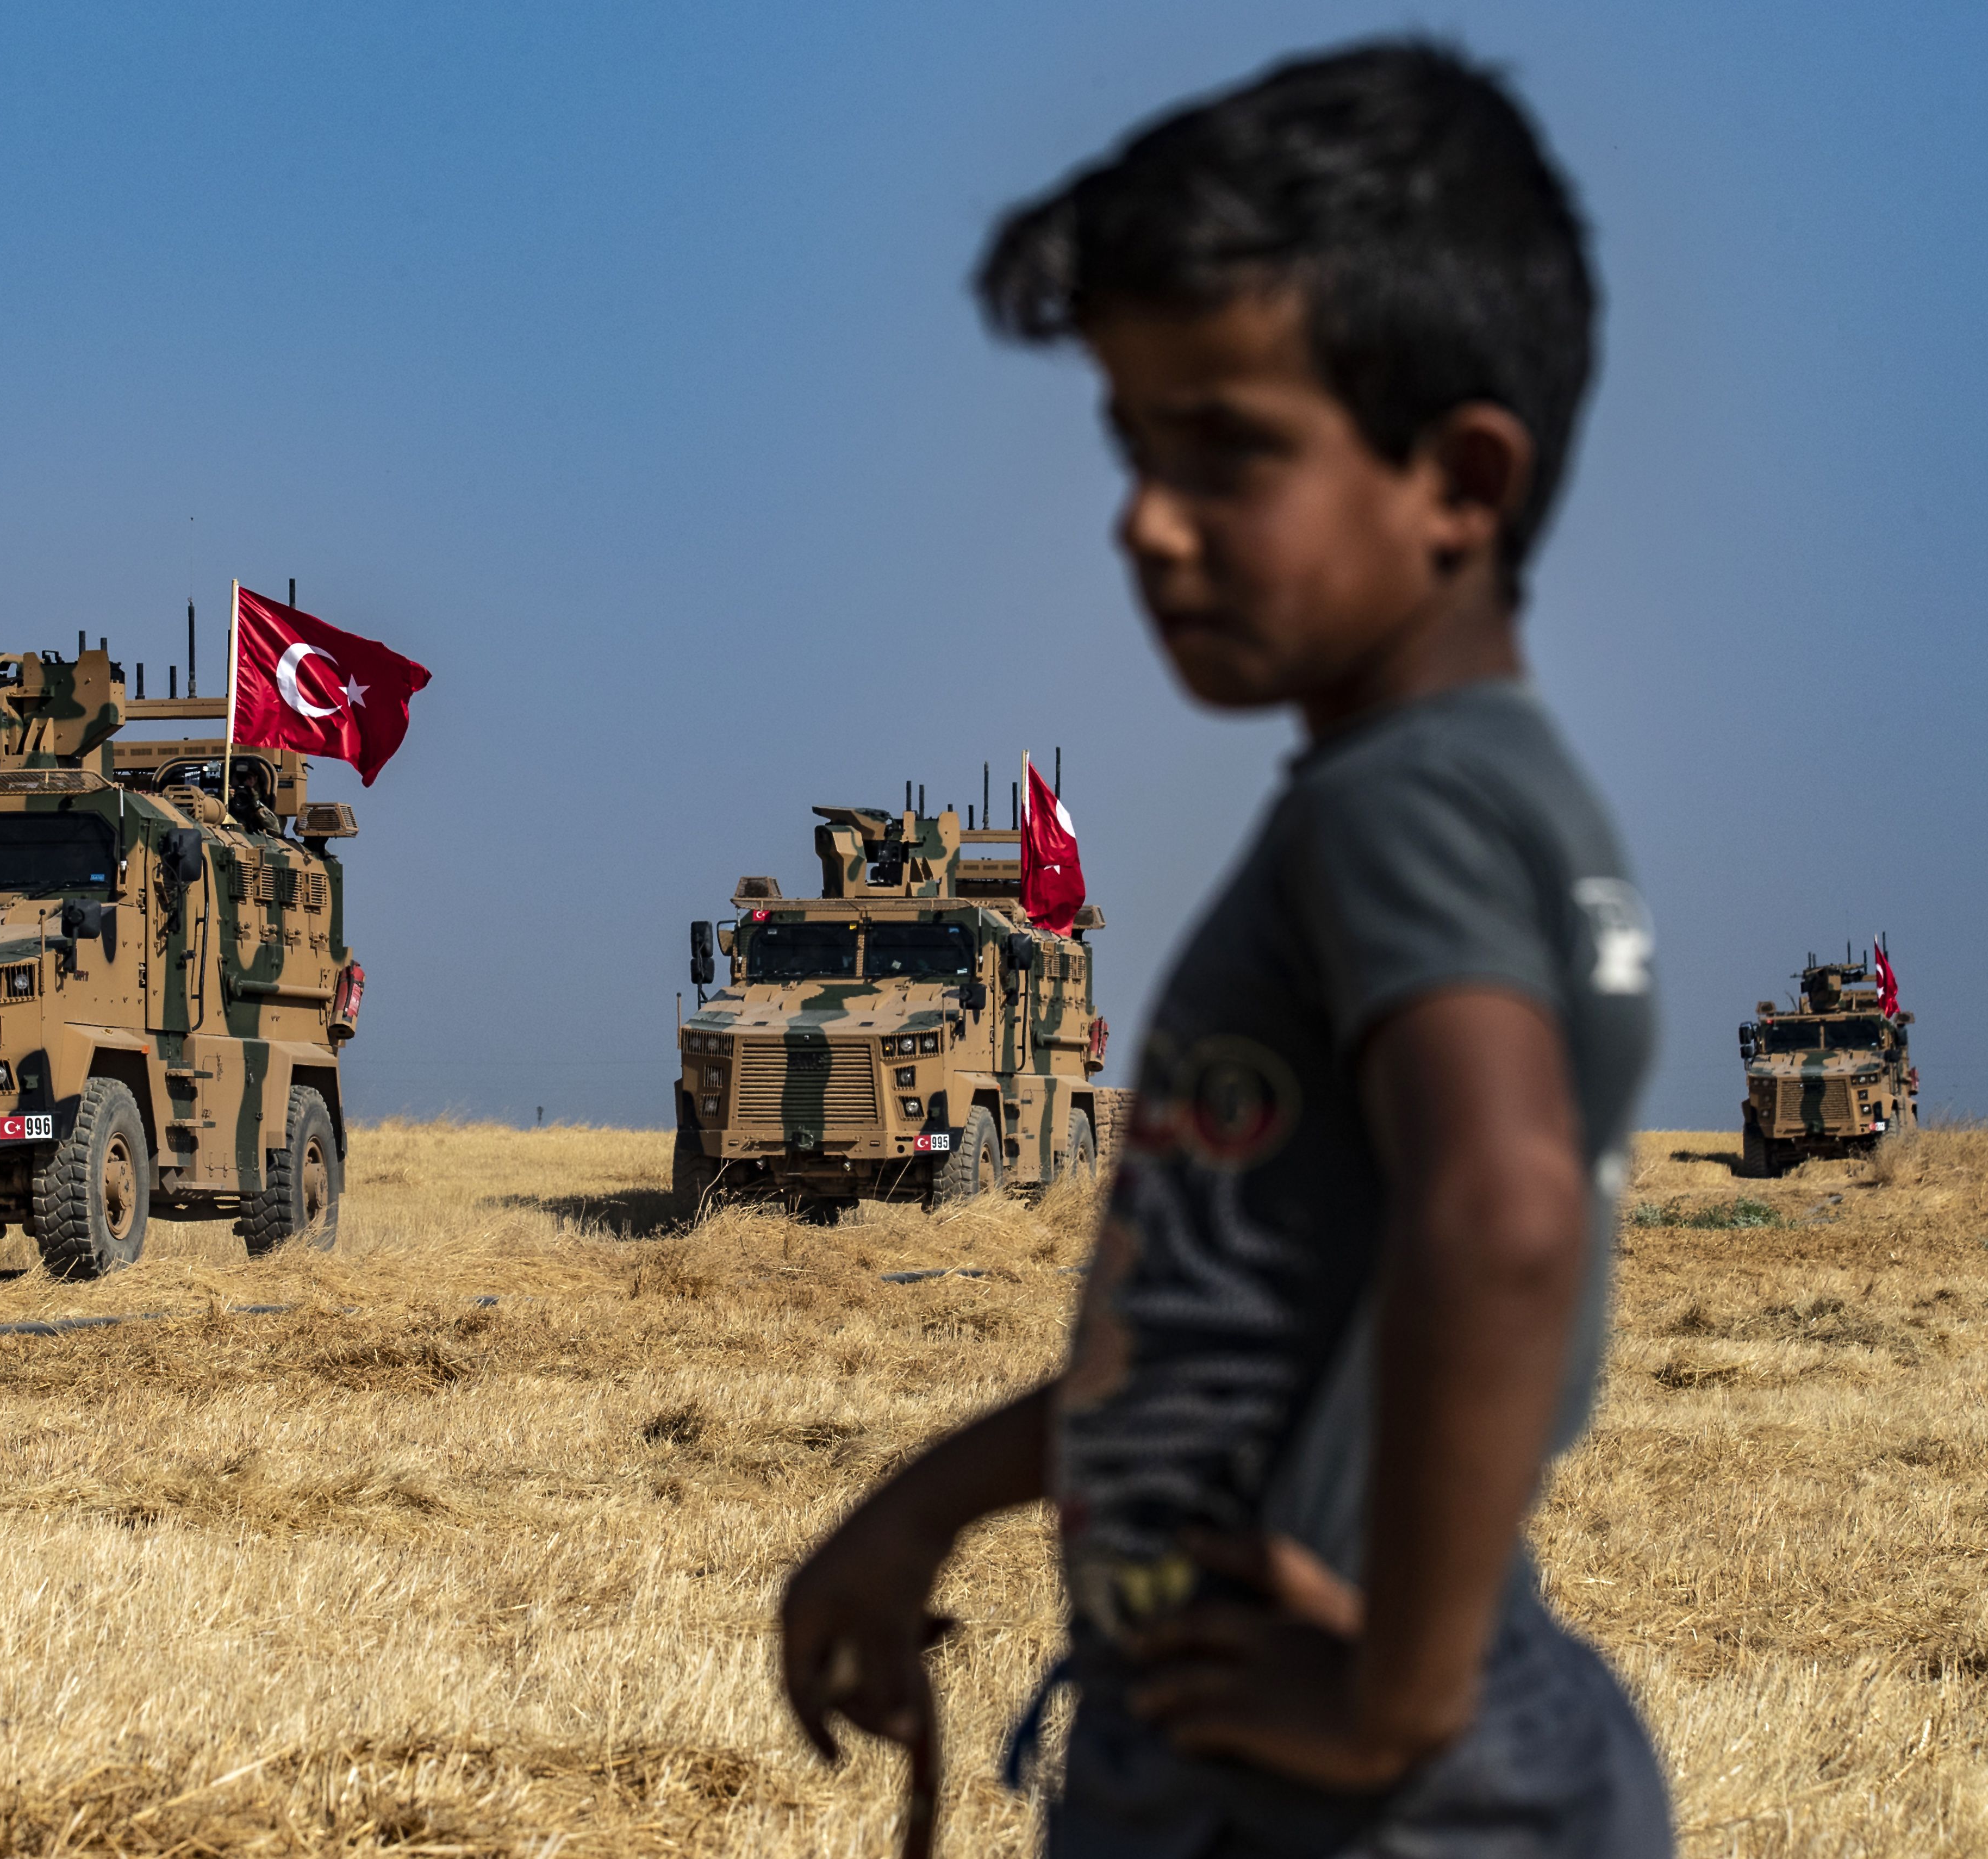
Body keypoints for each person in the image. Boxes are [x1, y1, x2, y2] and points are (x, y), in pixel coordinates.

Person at [778, 40, 1670, 1857]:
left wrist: (1393, 1699)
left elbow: (1501, 1213)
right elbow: (1234, 1338)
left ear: (1458, 483)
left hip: (1327, 1783)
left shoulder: (1395, 812)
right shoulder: (1457, 795)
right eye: (1131, 443)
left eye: (1226, 451)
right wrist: (927, 1501)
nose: (1143, 516)